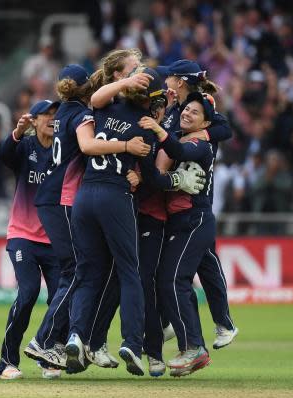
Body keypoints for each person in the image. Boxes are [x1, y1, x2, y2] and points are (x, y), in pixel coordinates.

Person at [65, 68, 206, 376]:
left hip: (84, 196)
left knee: (88, 274)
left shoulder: (103, 108)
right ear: (151, 101)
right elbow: (153, 179)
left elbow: (96, 99)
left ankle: (76, 336)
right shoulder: (144, 127)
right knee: (130, 272)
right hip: (115, 197)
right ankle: (130, 341)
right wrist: (175, 178)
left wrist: (125, 82)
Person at [24, 64, 151, 370]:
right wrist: (126, 147)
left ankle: (76, 341)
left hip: (54, 198)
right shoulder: (83, 114)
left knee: (84, 272)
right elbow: (87, 145)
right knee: (78, 273)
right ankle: (46, 342)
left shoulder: (65, 111)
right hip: (65, 198)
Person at [156, 59, 238, 349]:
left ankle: (219, 325)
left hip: (194, 189)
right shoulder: (172, 107)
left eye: (169, 78)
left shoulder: (199, 102)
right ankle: (219, 324)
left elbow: (224, 129)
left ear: (179, 80)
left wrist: (202, 134)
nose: (166, 82)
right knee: (204, 259)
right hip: (177, 196)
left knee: (198, 264)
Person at [140, 92, 220, 376]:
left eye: (195, 112)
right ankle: (190, 346)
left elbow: (182, 153)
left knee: (173, 279)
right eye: (186, 109)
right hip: (180, 222)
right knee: (168, 280)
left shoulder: (199, 142)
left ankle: (195, 346)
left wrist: (159, 130)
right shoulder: (180, 136)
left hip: (194, 220)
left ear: (205, 123)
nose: (186, 114)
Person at [0, 100, 62, 380]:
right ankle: (6, 362)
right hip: (23, 235)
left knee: (62, 297)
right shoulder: (25, 147)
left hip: (55, 239)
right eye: (45, 114)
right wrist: (17, 132)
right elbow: (4, 156)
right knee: (28, 293)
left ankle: (47, 355)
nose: (51, 118)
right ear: (34, 120)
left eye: (54, 114)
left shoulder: (64, 148)